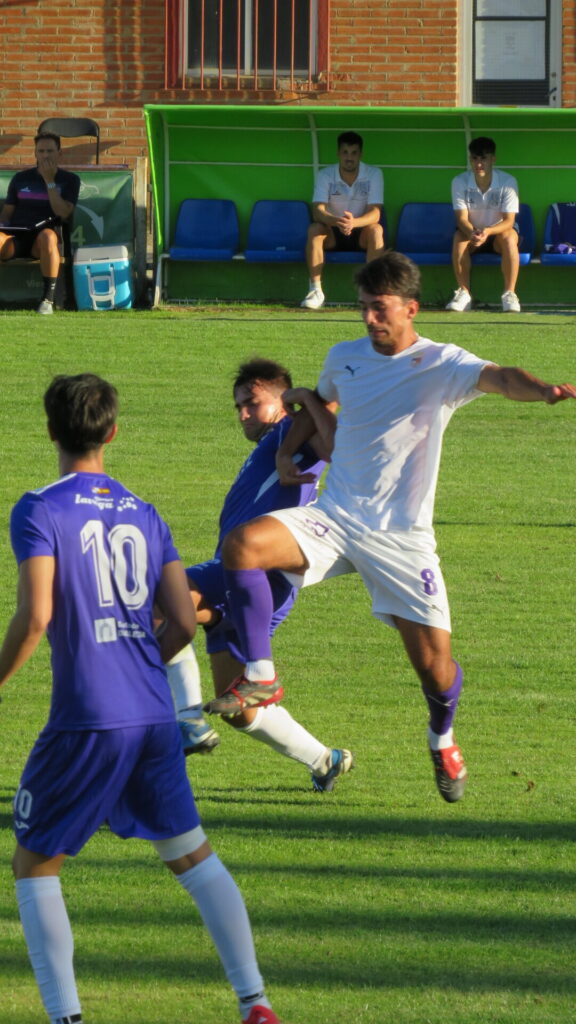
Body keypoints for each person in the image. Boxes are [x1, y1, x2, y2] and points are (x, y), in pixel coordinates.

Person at [205, 252, 576, 804]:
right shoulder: (345, 356)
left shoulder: (442, 362)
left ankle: (442, 736)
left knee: (435, 670)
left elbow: (500, 377)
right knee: (244, 545)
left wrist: (543, 389)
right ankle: (260, 673)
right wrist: (286, 451)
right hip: (335, 518)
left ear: (410, 308)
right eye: (363, 309)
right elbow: (319, 401)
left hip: (401, 539)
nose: (370, 321)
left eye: (380, 310)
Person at [0, 374, 279, 1024]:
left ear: (50, 431)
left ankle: (65, 1015)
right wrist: (135, 665)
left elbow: (36, 616)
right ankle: (255, 1002)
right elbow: (183, 622)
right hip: (154, 713)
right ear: (113, 432)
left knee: (35, 862)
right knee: (192, 856)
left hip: (87, 718)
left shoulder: (39, 509)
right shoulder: (145, 512)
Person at [168, 357, 353, 792]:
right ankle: (326, 759)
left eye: (252, 403)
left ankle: (186, 720)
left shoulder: (293, 428)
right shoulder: (273, 442)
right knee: (239, 710)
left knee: (161, 601)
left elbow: (335, 426)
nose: (243, 414)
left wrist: (304, 402)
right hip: (241, 578)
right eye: (238, 407)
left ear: (281, 400)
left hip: (259, 575)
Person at [300, 130, 385, 310]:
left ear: (360, 155)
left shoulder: (374, 174)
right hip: (332, 231)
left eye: (354, 153)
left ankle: (373, 292)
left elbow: (375, 213)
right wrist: (337, 221)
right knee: (315, 229)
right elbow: (318, 211)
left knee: (377, 230)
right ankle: (315, 290)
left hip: (361, 231)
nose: (349, 157)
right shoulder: (325, 175)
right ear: (338, 153)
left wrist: (354, 223)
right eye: (345, 152)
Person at [0, 132, 80, 315]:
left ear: (60, 154)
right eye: (41, 151)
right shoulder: (20, 179)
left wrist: (49, 181)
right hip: (16, 238)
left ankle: (47, 300)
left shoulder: (70, 180)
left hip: (42, 241)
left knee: (48, 236)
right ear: (35, 153)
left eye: (50, 151)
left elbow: (63, 213)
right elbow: (6, 213)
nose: (45, 155)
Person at [446, 136, 522, 314]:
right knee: (459, 237)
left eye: (484, 158)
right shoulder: (459, 181)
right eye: (475, 158)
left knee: (509, 236)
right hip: (472, 232)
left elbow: (509, 221)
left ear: (493, 159)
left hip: (497, 232)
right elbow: (461, 219)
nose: (479, 164)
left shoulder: (508, 182)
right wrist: (473, 232)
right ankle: (464, 293)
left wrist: (488, 231)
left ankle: (509, 294)